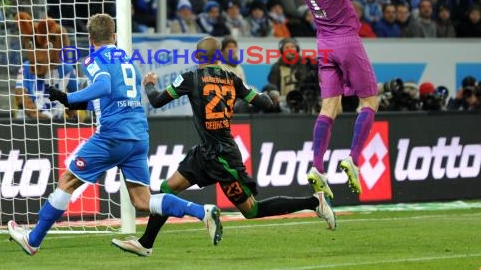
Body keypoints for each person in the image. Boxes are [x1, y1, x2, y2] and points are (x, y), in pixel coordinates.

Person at [8, 14, 222, 255]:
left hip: (112, 135)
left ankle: (33, 240)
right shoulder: (127, 60)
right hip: (138, 135)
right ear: (114, 35)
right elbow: (111, 97)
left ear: (90, 39)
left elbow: (104, 87)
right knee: (142, 200)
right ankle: (201, 211)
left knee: (67, 181)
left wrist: (68, 98)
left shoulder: (93, 60)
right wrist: (76, 105)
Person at [111, 36, 336, 257]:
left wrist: (149, 85)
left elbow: (157, 100)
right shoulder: (232, 79)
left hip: (222, 158)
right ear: (218, 57)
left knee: (251, 210)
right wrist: (268, 95)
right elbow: (265, 103)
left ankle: (315, 201)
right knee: (168, 189)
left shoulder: (191, 77)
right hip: (207, 152)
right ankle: (145, 243)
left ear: (198, 57)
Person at [288, 0, 379, 199]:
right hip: (346, 41)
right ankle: (353, 160)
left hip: (324, 44)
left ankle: (316, 165)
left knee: (330, 107)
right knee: (370, 101)